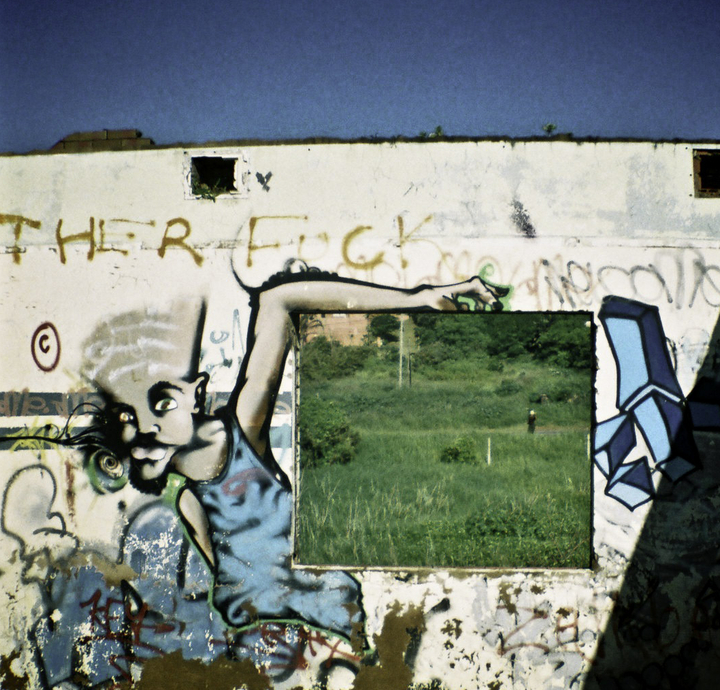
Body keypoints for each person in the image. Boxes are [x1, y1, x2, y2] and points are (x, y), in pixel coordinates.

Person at [81, 268, 504, 649]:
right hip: (265, 651)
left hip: (332, 634)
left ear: (197, 393)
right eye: (130, 423)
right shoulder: (189, 503)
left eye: (162, 402)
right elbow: (224, 578)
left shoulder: (243, 433)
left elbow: (278, 300)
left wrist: (417, 298)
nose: (147, 429)